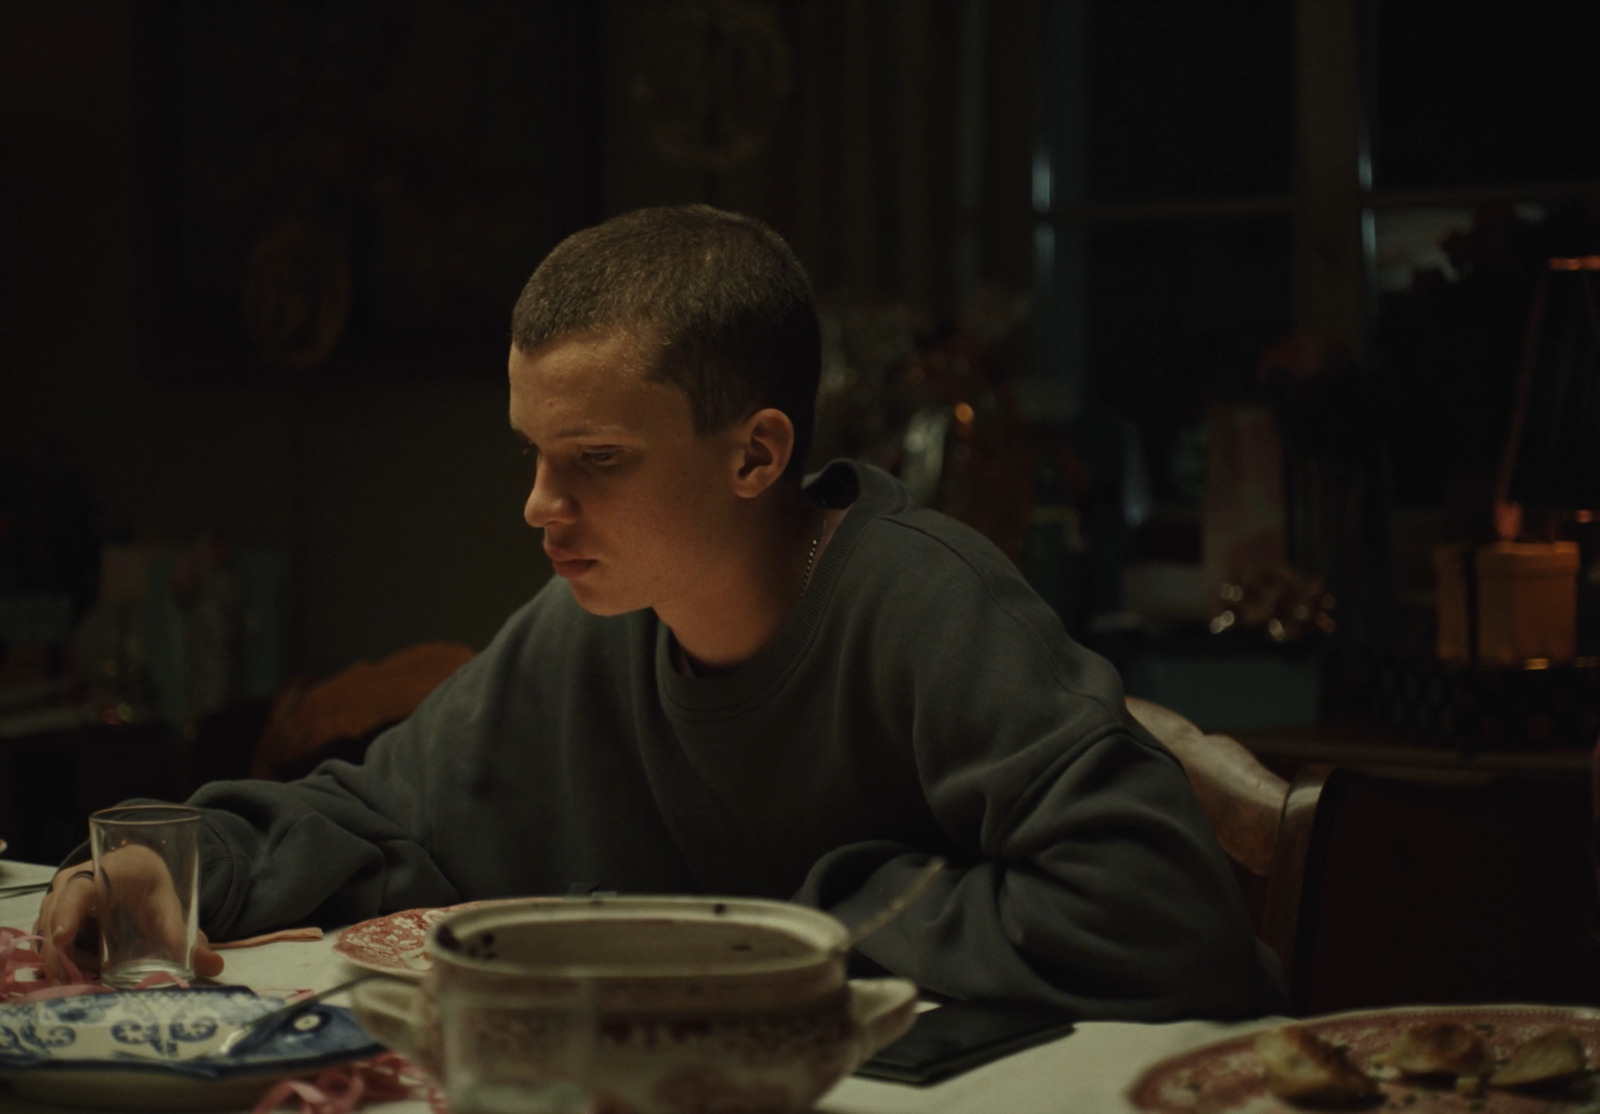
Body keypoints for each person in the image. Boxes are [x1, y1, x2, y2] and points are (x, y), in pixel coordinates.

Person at [38, 205, 1286, 1019]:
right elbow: (383, 821)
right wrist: (175, 864)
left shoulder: (928, 608)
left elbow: (1167, 926)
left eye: (595, 460)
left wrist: (787, 929)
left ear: (756, 456)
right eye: (531, 455)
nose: (539, 505)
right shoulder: (584, 629)